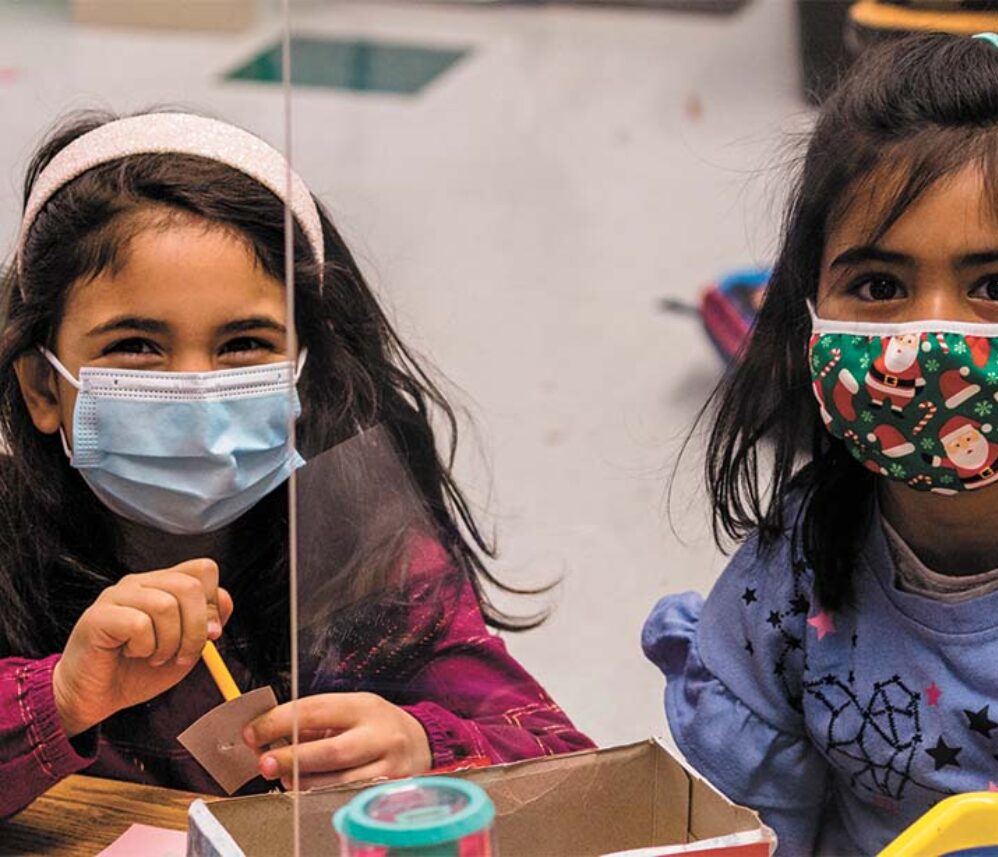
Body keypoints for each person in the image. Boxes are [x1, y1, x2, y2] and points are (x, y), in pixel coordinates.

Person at [644, 33, 998, 854]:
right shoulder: (792, 574)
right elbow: (752, 830)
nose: (926, 337)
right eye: (879, 286)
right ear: (810, 314)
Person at [0, 110, 592, 817]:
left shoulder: (364, 555)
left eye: (245, 343)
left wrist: (424, 747)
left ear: (302, 380)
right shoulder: (10, 543)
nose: (195, 389)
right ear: (42, 386)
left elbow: (568, 765)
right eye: (135, 345)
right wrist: (59, 699)